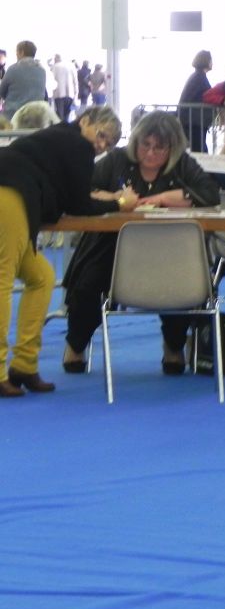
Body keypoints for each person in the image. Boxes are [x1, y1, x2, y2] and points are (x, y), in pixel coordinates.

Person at [61, 111, 220, 375]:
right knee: (88, 284)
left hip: (169, 249)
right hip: (110, 246)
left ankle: (173, 346)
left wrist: (165, 197)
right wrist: (116, 198)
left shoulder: (182, 164)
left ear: (172, 148)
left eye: (159, 148)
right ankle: (76, 344)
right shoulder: (117, 159)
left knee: (181, 283)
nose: (150, 153)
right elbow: (84, 189)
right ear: (136, 141)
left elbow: (209, 193)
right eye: (145, 145)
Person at [0, 105, 136, 398]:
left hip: (14, 196)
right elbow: (80, 206)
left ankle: (24, 364)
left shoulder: (61, 138)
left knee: (42, 277)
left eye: (108, 143)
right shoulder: (77, 144)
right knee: (2, 280)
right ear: (84, 120)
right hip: (8, 195)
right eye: (101, 135)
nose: (100, 145)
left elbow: (73, 196)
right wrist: (121, 204)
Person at [0, 41, 47, 120]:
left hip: (14, 116)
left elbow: (2, 92)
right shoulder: (42, 70)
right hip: (36, 117)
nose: (16, 54)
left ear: (21, 52)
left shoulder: (13, 69)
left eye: (17, 52)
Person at [178, 49, 214, 152]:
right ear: (206, 61)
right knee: (199, 150)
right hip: (194, 121)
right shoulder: (199, 78)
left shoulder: (197, 77)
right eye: (211, 60)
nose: (212, 63)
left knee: (200, 148)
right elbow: (207, 95)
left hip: (193, 120)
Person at [49, 54, 77, 122]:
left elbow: (52, 81)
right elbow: (75, 81)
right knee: (67, 114)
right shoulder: (71, 66)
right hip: (70, 93)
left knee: (59, 115)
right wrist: (76, 93)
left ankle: (61, 130)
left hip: (58, 94)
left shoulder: (54, 67)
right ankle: (66, 128)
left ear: (56, 59)